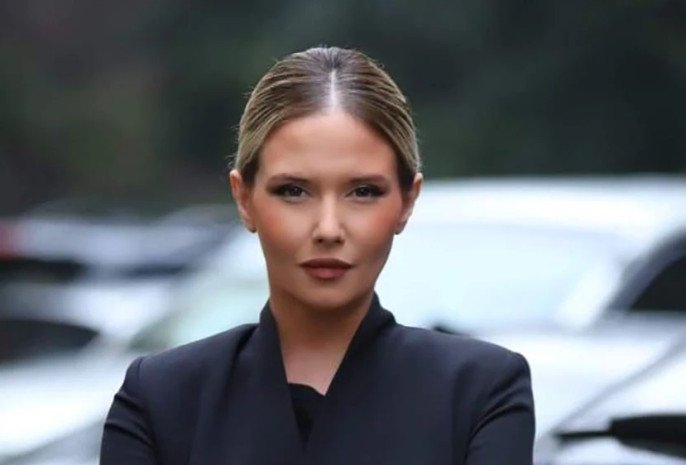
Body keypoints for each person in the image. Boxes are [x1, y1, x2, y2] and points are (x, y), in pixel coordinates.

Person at [101, 46, 534, 465]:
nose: (328, 229)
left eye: (363, 192)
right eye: (294, 191)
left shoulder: (480, 391)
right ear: (244, 198)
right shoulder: (161, 398)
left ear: (407, 201)